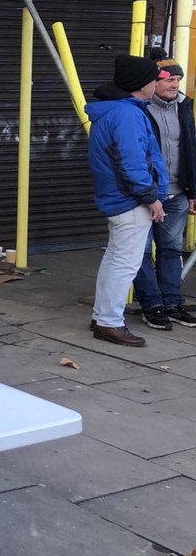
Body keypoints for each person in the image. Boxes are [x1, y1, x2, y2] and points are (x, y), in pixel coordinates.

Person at [87, 54, 169, 347]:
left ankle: (102, 317)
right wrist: (151, 198)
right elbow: (132, 162)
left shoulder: (113, 111)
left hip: (118, 198)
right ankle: (109, 322)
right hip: (130, 201)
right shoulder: (127, 114)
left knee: (115, 259)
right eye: (153, 80)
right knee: (124, 263)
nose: (156, 84)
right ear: (141, 84)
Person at [133, 49, 196, 331]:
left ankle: (172, 303)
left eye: (178, 79)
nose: (175, 84)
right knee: (142, 252)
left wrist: (192, 191)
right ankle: (151, 305)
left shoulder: (184, 106)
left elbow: (190, 148)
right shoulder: (139, 109)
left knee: (171, 249)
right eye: (169, 79)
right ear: (153, 82)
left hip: (177, 193)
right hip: (145, 195)